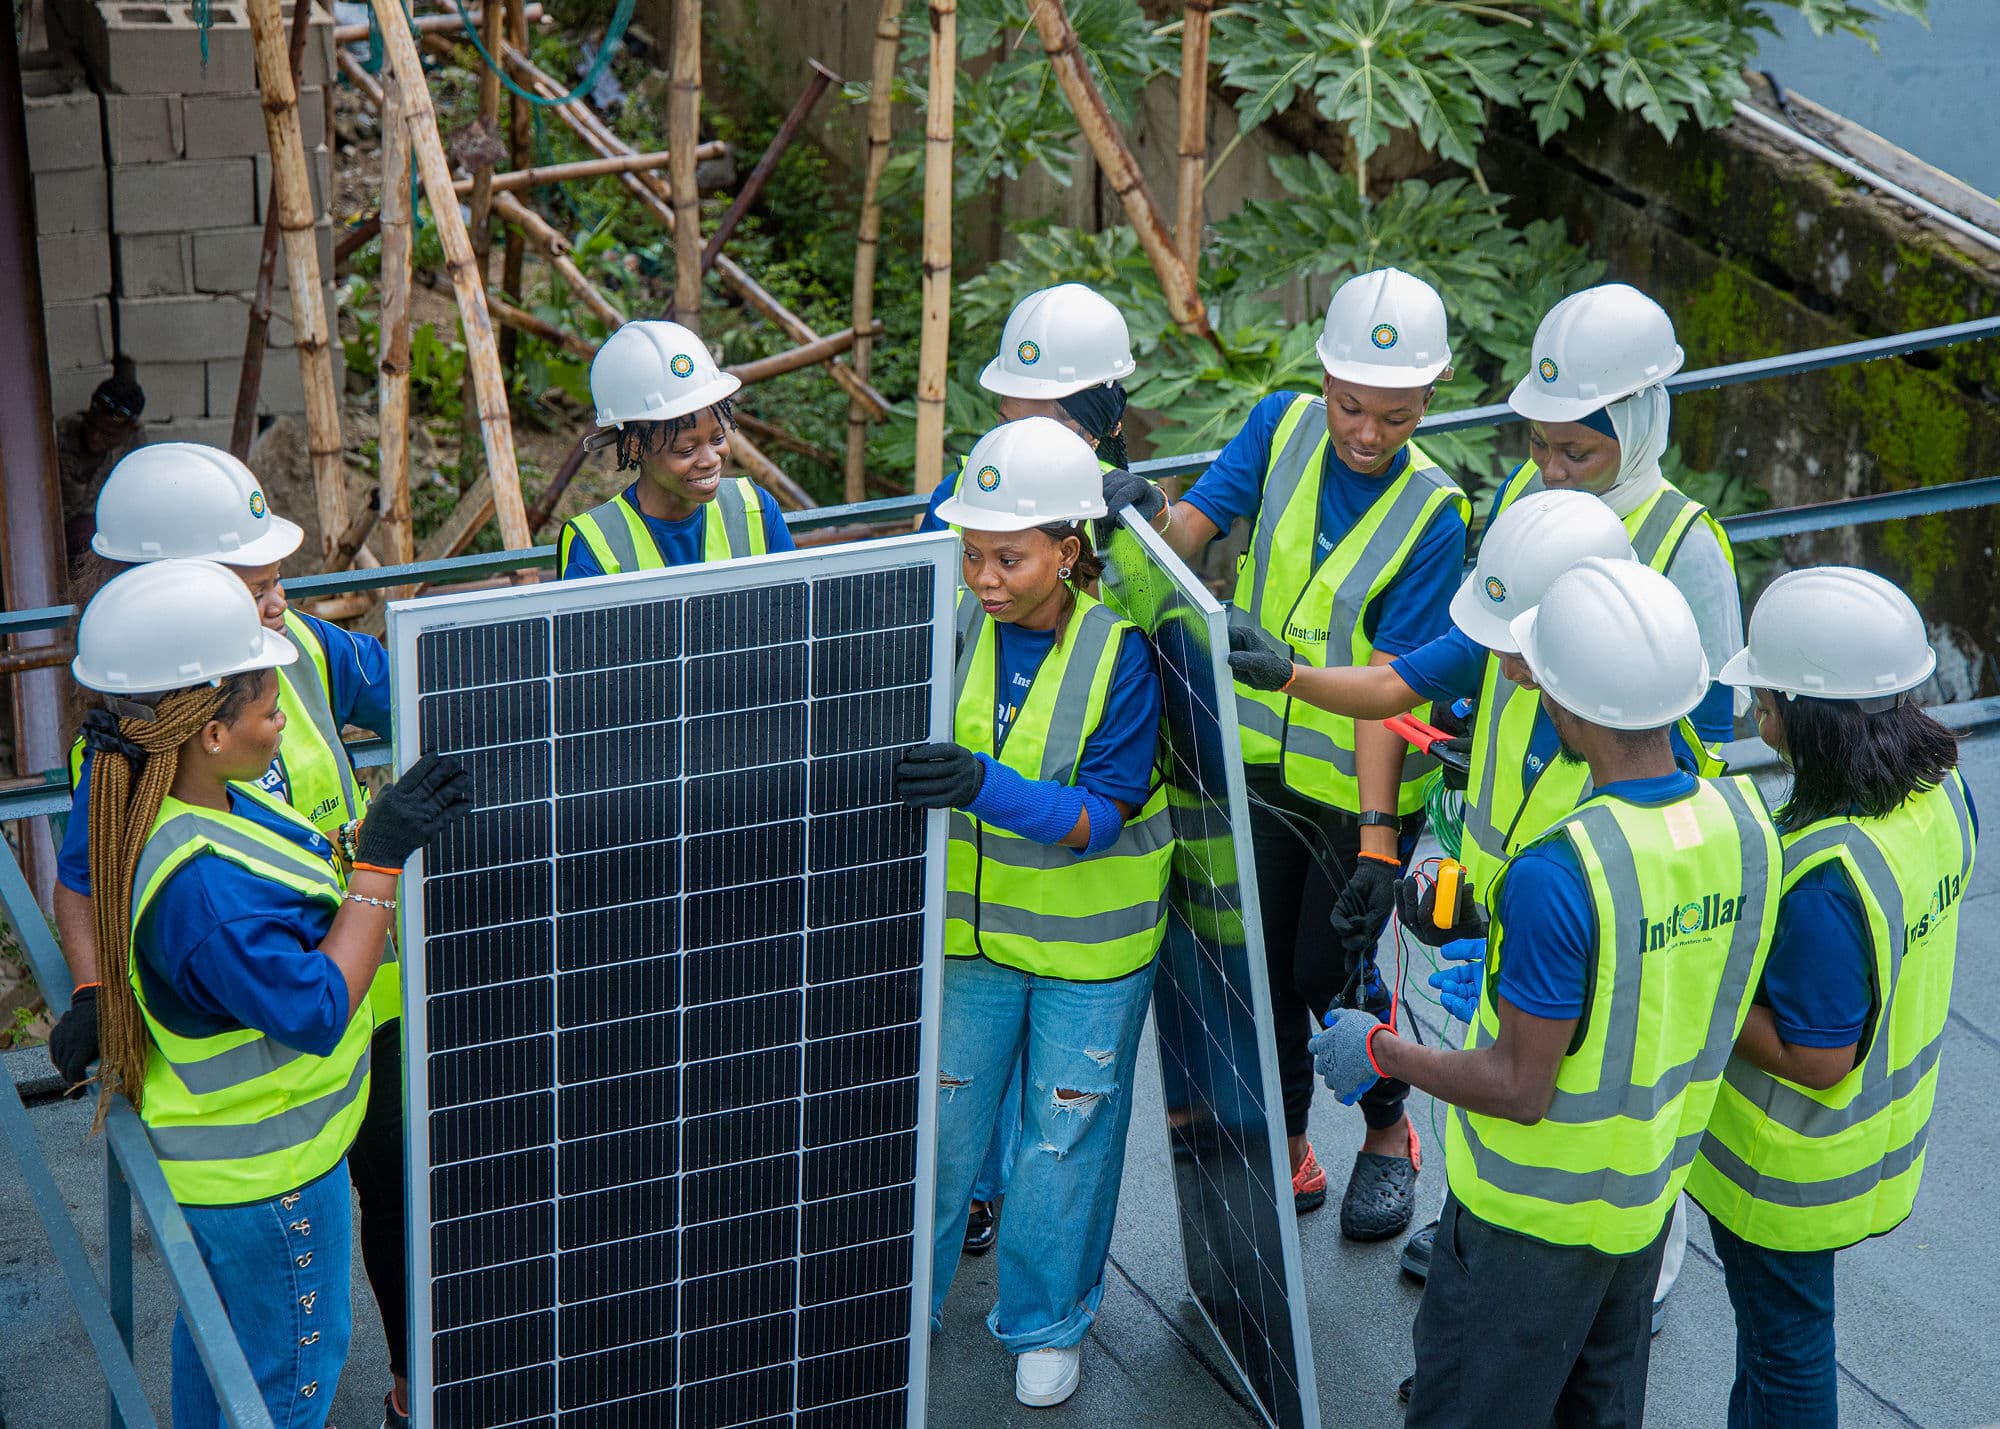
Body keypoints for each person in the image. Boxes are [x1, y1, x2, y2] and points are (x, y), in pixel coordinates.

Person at [1314, 556, 1781, 1426]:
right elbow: (1649, 954)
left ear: (1566, 701)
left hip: (1522, 1227)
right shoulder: (1747, 825)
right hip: (1640, 1212)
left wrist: (1379, 1048)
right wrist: (1501, 933)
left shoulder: (1560, 870)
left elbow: (1518, 1086)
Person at [1231, 488, 1717, 1298]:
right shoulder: (1511, 653)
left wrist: (1385, 1049)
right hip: (1523, 936)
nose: (1503, 665)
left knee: (1561, 1129)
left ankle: (1623, 1276)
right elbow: (1393, 688)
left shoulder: (1646, 752)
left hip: (1581, 969)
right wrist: (1290, 676)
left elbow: (1633, 909)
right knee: (1501, 1123)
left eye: (1521, 650)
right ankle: (1482, 1229)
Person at [44, 442, 415, 1429]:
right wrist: (93, 993)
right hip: (280, 1077)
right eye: (254, 586)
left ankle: (413, 1389)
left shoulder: (297, 654)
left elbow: (426, 682)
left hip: (359, 1018)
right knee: (282, 1352)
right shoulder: (137, 765)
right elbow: (86, 881)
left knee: (392, 1210)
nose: (280, 602)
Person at [1105, 266, 1471, 1240]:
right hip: (1255, 761)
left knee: (1328, 969)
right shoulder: (1280, 426)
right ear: (1323, 377)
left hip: (1357, 785)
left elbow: (1394, 686)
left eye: (1396, 417)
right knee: (1258, 964)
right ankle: (1293, 1141)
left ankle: (1389, 1130)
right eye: (1350, 406)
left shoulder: (1434, 512)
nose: (1366, 433)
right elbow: (1189, 532)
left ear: (1429, 398)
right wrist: (1139, 514)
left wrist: (1378, 844)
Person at [896, 418, 1172, 1408]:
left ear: (1067, 549)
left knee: (1061, 1144)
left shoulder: (1120, 655)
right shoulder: (950, 622)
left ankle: (1047, 1324)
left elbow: (1099, 816)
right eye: (971, 552)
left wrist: (981, 783)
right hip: (969, 941)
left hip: (1087, 956)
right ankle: (904, 1309)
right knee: (936, 1131)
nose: (983, 576)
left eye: (1007, 557)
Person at [1685, 567, 1976, 1427]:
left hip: (1785, 1169)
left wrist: (1703, 984)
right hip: (1873, 1142)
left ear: (1803, 715)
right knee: (1776, 1350)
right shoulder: (1944, 791)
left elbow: (1817, 1057)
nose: (1756, 714)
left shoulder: (1828, 877)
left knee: (1785, 1350)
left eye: (1765, 699)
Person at [1497, 282, 1744, 746]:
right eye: (1538, 442)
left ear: (1637, 436)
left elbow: (1707, 731)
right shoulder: (1519, 489)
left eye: (1576, 453)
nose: (1551, 470)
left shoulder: (1687, 547)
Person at [558, 319, 795, 576]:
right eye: (686, 450)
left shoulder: (756, 509)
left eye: (717, 439)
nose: (710, 459)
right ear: (635, 446)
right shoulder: (596, 545)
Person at [919, 283, 1137, 535]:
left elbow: (1171, 537)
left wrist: (1159, 515)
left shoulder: (1130, 507)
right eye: (1005, 425)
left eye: (1036, 432)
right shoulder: (962, 490)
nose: (1012, 443)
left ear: (1091, 436)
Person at [58, 360, 147, 561]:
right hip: (70, 534)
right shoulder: (61, 436)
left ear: (130, 429)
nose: (95, 437)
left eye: (108, 434)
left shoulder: (135, 440)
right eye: (91, 426)